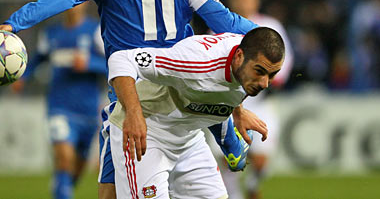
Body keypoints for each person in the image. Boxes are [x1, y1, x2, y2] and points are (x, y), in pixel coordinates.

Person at [0, 0, 260, 198]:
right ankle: (223, 128)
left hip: (132, 95)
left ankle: (223, 127)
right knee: (201, 75)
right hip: (182, 90)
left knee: (108, 192)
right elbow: (226, 23)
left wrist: (14, 23)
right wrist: (267, 37)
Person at [107, 27, 285, 198]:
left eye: (272, 75)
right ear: (239, 56)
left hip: (188, 137)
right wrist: (133, 113)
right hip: (147, 132)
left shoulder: (250, 61)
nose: (264, 83)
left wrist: (238, 111)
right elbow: (122, 60)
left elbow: (220, 89)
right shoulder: (196, 62)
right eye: (260, 72)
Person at [10, 3, 108, 199]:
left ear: (85, 5)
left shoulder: (95, 31)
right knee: (64, 159)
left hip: (88, 111)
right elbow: (38, 59)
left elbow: (113, 65)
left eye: (79, 3)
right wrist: (23, 76)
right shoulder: (51, 34)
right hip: (59, 107)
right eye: (70, 4)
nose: (74, 8)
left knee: (76, 170)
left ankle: (60, 188)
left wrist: (90, 63)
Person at [224, 0, 294, 199]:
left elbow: (286, 60)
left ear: (256, 1)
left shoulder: (270, 26)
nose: (243, 2)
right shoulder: (222, 26)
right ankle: (234, 195)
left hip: (261, 102)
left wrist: (272, 83)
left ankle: (253, 185)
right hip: (229, 103)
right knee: (227, 160)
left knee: (262, 157)